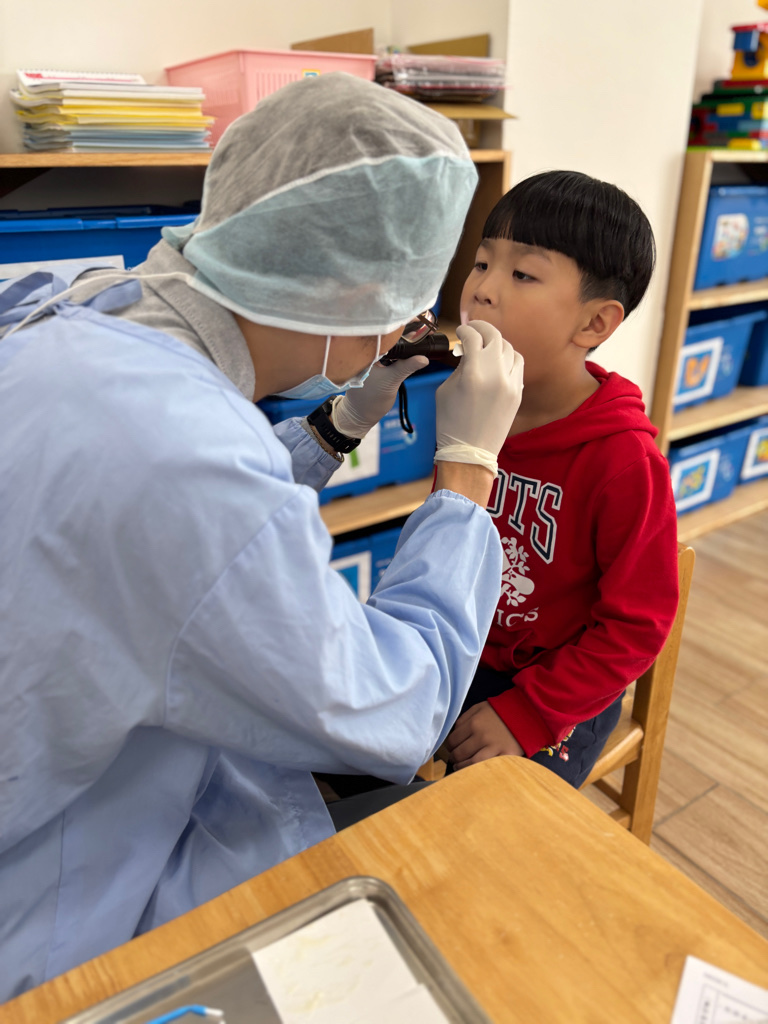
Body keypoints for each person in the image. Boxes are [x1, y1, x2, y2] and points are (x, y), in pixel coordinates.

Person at [0, 73, 524, 1001]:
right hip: (59, 924)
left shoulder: (80, 310)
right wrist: (466, 477)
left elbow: (171, 532)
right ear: (367, 295)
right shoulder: (190, 461)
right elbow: (396, 712)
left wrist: (338, 422)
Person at [442, 169, 679, 787]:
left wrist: (530, 712)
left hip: (562, 691)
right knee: (348, 758)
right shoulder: (472, 405)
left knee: (495, 817)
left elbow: (636, 625)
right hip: (463, 647)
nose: (482, 290)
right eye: (482, 263)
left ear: (594, 324)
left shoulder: (624, 461)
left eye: (522, 274)